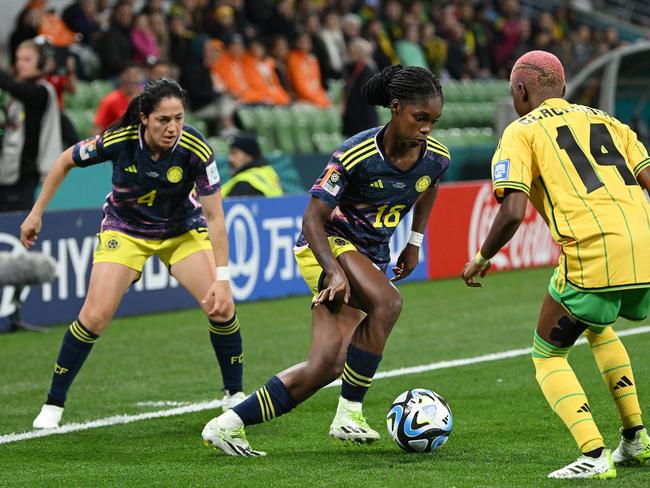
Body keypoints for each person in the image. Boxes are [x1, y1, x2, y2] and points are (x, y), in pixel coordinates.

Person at [202, 65, 450, 456]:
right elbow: (312, 218)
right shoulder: (355, 154)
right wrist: (333, 271)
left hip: (368, 256)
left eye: (434, 121)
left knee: (325, 367)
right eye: (420, 118)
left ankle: (228, 424)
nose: (426, 129)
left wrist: (415, 241)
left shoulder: (436, 157)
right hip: (325, 247)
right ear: (396, 108)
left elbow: (428, 185)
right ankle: (349, 413)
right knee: (388, 302)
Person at [461, 50, 650, 479]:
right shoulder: (608, 120)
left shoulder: (520, 132)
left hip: (594, 250)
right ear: (563, 89)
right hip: (645, 243)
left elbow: (511, 212)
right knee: (598, 326)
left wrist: (481, 257)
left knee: (547, 355)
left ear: (521, 90)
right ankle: (635, 439)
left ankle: (593, 453)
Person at [20, 78, 247, 429]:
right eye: (163, 120)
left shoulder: (196, 149)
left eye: (179, 118)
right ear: (144, 118)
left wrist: (223, 278)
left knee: (221, 307)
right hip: (125, 231)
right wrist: (36, 213)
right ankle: (54, 403)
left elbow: (215, 217)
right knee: (94, 316)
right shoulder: (119, 139)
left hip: (181, 231)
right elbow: (65, 160)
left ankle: (234, 395)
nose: (173, 128)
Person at [0, 38, 62, 212]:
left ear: (41, 63)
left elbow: (13, 86)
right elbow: (7, 131)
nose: (20, 64)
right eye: (18, 59)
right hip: (6, 172)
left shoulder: (42, 91)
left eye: (27, 59)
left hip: (26, 175)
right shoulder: (16, 98)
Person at [221, 133, 283, 198]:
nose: (230, 159)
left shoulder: (244, 183)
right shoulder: (269, 172)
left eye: (234, 153)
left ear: (249, 155)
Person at [92, 64, 144, 134]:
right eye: (129, 75)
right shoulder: (109, 100)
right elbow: (97, 128)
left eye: (136, 75)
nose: (132, 79)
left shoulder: (146, 99)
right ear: (122, 76)